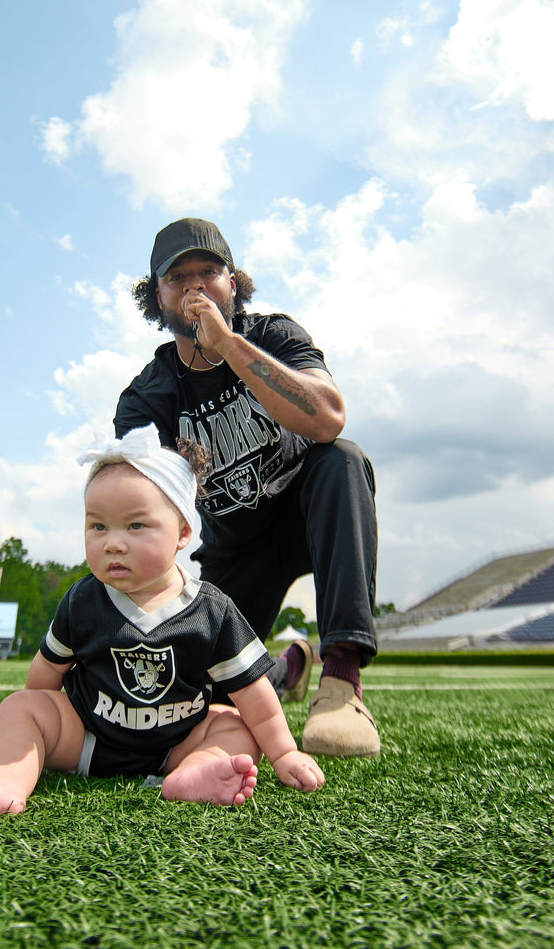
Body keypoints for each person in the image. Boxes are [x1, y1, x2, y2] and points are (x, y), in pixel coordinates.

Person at [0, 424, 325, 814]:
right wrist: (36, 721)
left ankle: (194, 773)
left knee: (235, 723)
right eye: (98, 526)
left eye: (136, 525)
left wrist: (285, 752)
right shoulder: (83, 599)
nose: (113, 543)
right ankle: (3, 780)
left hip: (179, 742)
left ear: (182, 532)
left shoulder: (211, 610)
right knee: (21, 706)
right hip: (88, 739)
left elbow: (256, 695)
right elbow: (46, 672)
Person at [114, 217, 380, 758]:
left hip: (307, 515)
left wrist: (230, 346)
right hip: (235, 545)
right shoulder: (146, 397)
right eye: (177, 278)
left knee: (342, 462)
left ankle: (340, 681)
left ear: (232, 282)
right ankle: (285, 670)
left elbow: (328, 419)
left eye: (208, 272)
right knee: (201, 701)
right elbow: (146, 509)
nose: (194, 287)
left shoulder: (274, 335)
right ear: (157, 296)